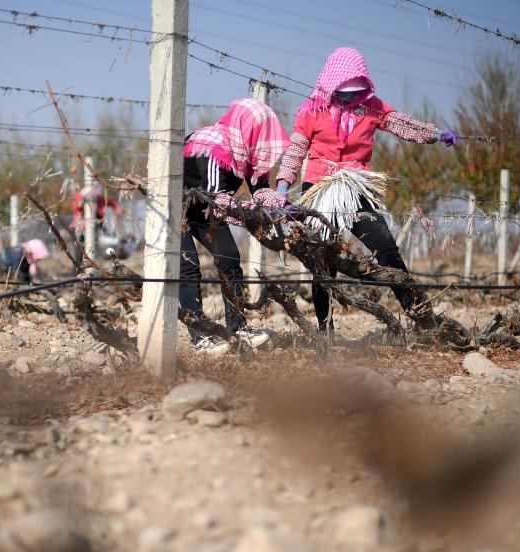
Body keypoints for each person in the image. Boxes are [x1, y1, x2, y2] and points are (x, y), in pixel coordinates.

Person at [274, 47, 457, 331]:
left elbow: (401, 123)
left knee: (386, 248)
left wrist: (434, 133)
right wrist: (283, 185)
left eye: (355, 91)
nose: (350, 97)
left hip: (357, 187)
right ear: (332, 83)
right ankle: (325, 330)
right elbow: (296, 149)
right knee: (322, 259)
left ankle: (422, 318)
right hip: (319, 187)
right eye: (345, 91)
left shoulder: (372, 107)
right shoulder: (312, 109)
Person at [181, 98, 289, 355]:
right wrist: (251, 212)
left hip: (205, 205)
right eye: (260, 135)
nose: (262, 142)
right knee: (188, 265)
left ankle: (237, 328)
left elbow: (259, 190)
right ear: (247, 129)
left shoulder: (248, 153)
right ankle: (200, 335)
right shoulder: (214, 147)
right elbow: (217, 201)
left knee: (229, 257)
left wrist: (279, 205)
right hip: (176, 205)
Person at [70, 181, 122, 265]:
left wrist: (117, 211)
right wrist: (83, 201)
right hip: (80, 228)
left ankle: (92, 268)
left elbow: (112, 203)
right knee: (79, 253)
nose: (95, 198)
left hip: (93, 229)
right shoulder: (80, 198)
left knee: (93, 251)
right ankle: (78, 269)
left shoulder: (99, 200)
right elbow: (76, 208)